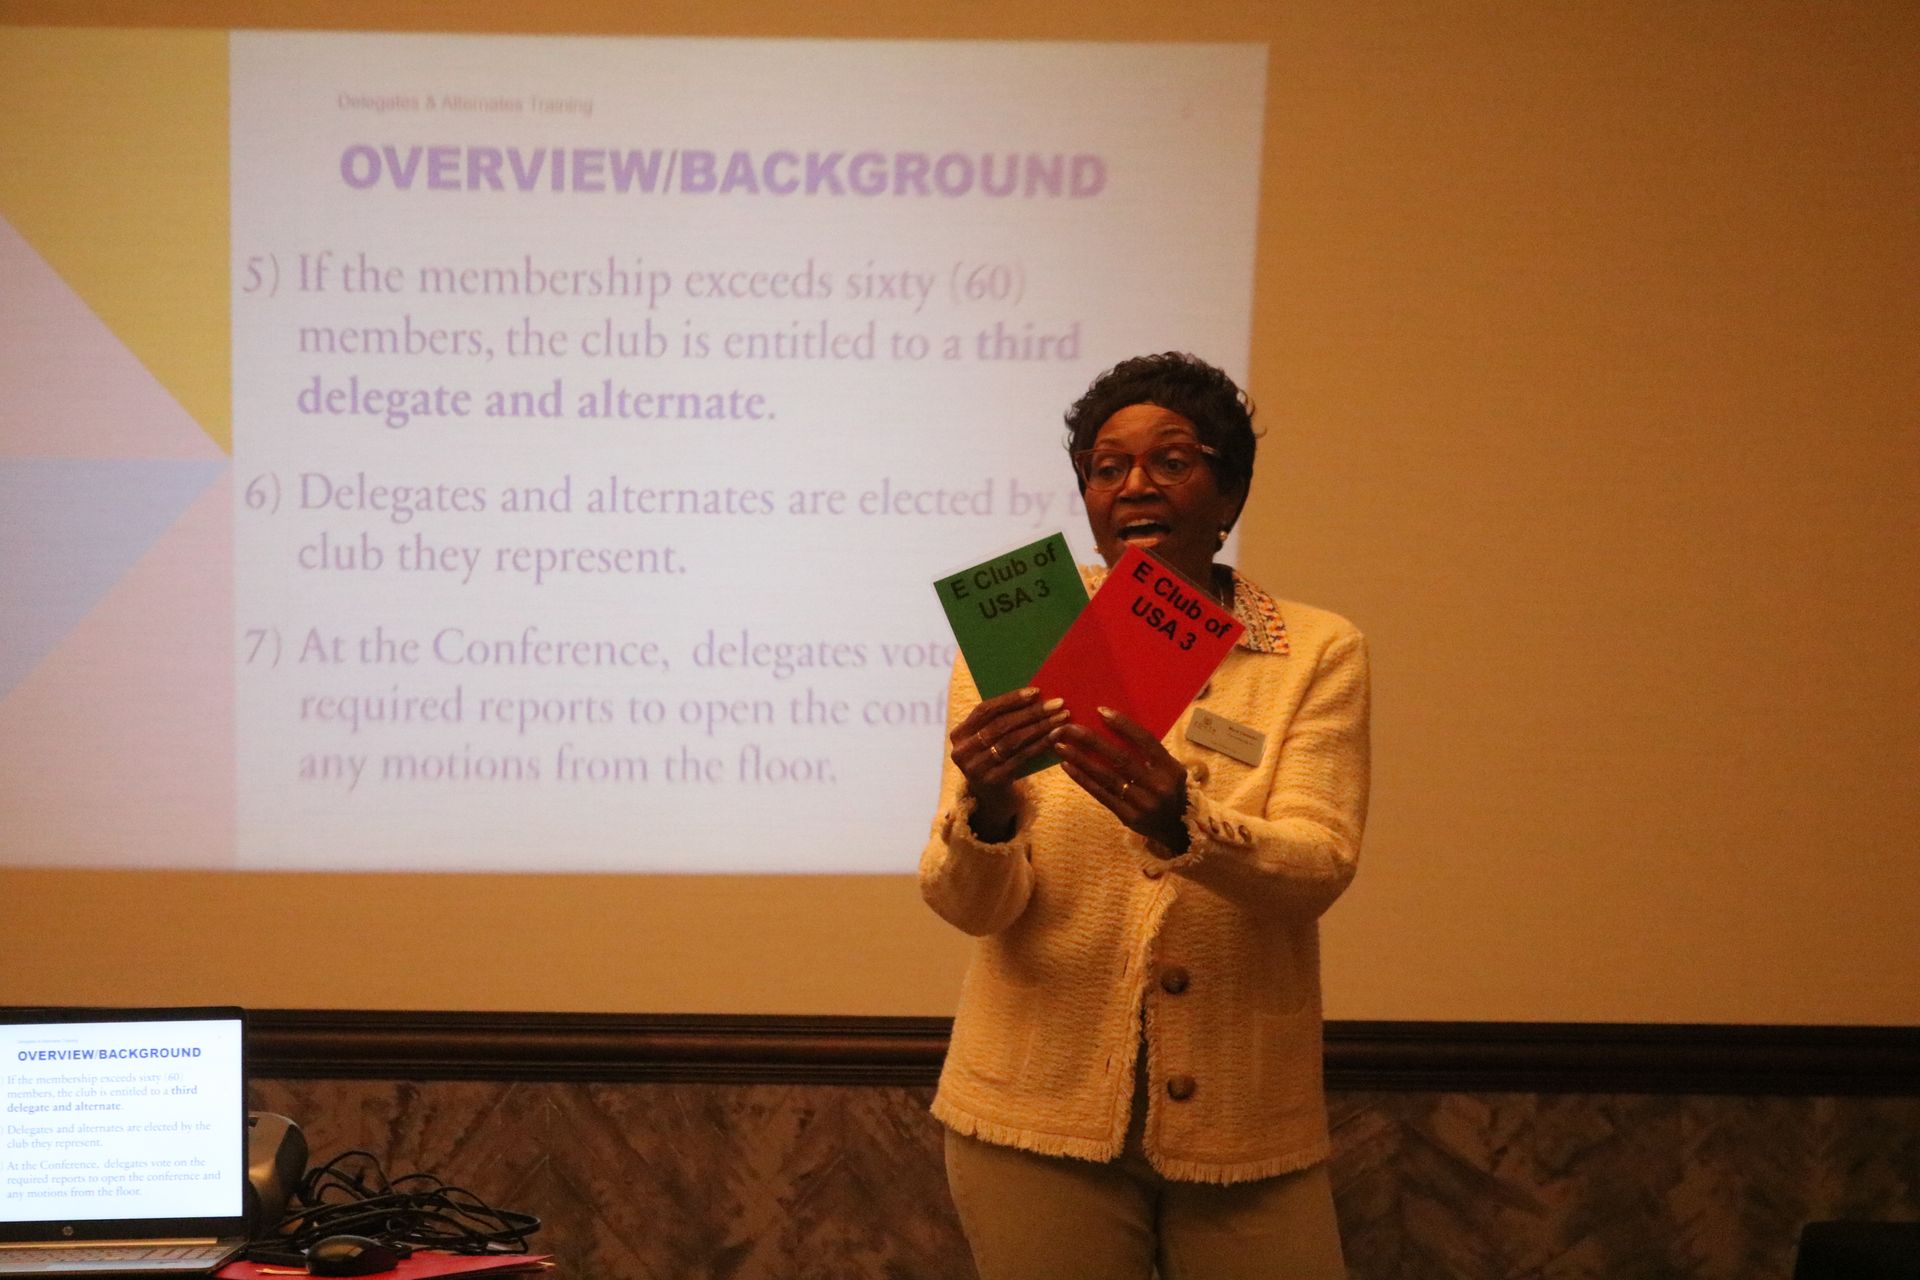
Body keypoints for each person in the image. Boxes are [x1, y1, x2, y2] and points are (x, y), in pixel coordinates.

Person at [919, 352, 1370, 1280]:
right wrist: (989, 810)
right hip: (1031, 1120)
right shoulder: (1021, 639)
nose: (1134, 486)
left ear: (1230, 492)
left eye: (1172, 460)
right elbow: (968, 905)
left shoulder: (1316, 650)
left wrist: (1184, 827)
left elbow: (1317, 867)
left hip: (1245, 1121)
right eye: (1106, 466)